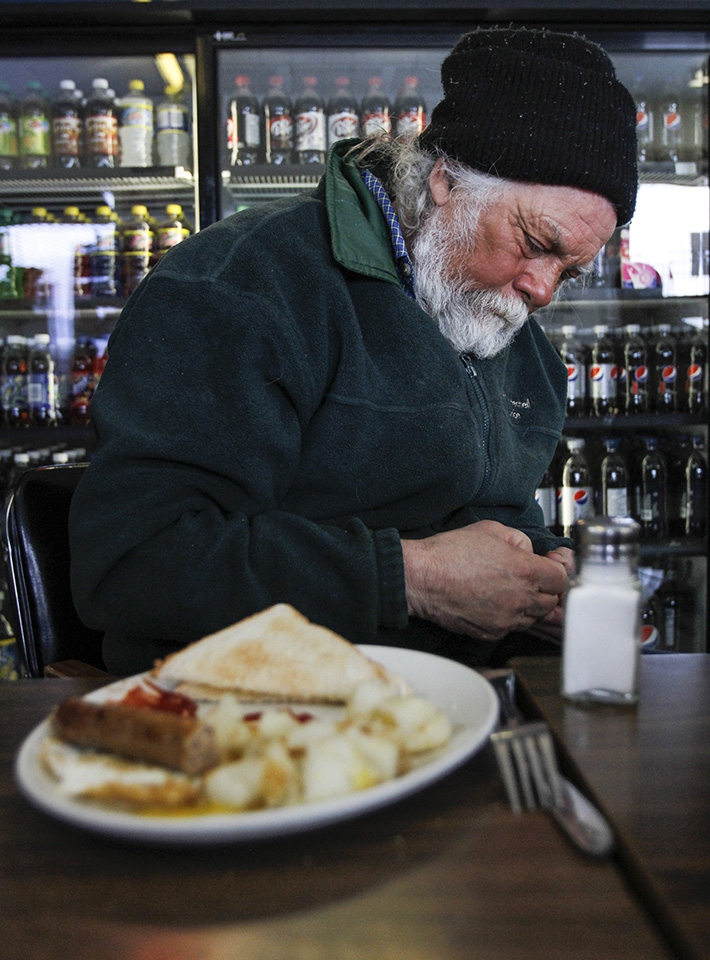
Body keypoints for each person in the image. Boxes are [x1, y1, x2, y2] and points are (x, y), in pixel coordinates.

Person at [68, 26, 638, 676]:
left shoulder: (508, 331)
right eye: (536, 241)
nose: (541, 290)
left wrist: (543, 571)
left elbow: (485, 513)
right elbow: (133, 561)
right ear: (448, 182)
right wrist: (410, 578)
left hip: (458, 700)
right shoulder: (248, 284)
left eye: (570, 271)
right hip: (252, 717)